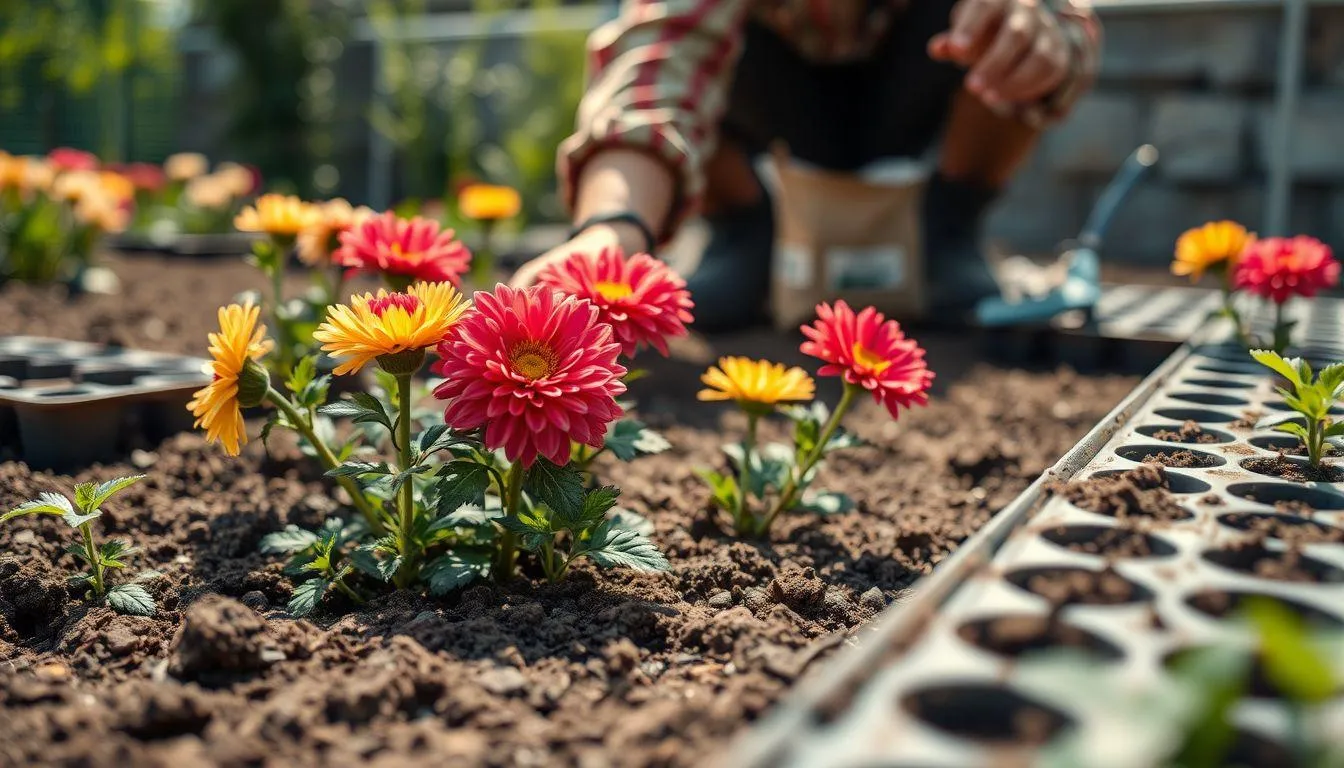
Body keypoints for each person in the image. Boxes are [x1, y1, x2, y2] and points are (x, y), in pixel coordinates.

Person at [512, 0, 1101, 331]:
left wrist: (1042, 32)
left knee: (1004, 22)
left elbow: (1066, 20)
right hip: (771, 100)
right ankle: (743, 232)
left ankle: (948, 229)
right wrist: (612, 229)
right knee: (705, 49)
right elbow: (656, 71)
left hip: (915, 84)